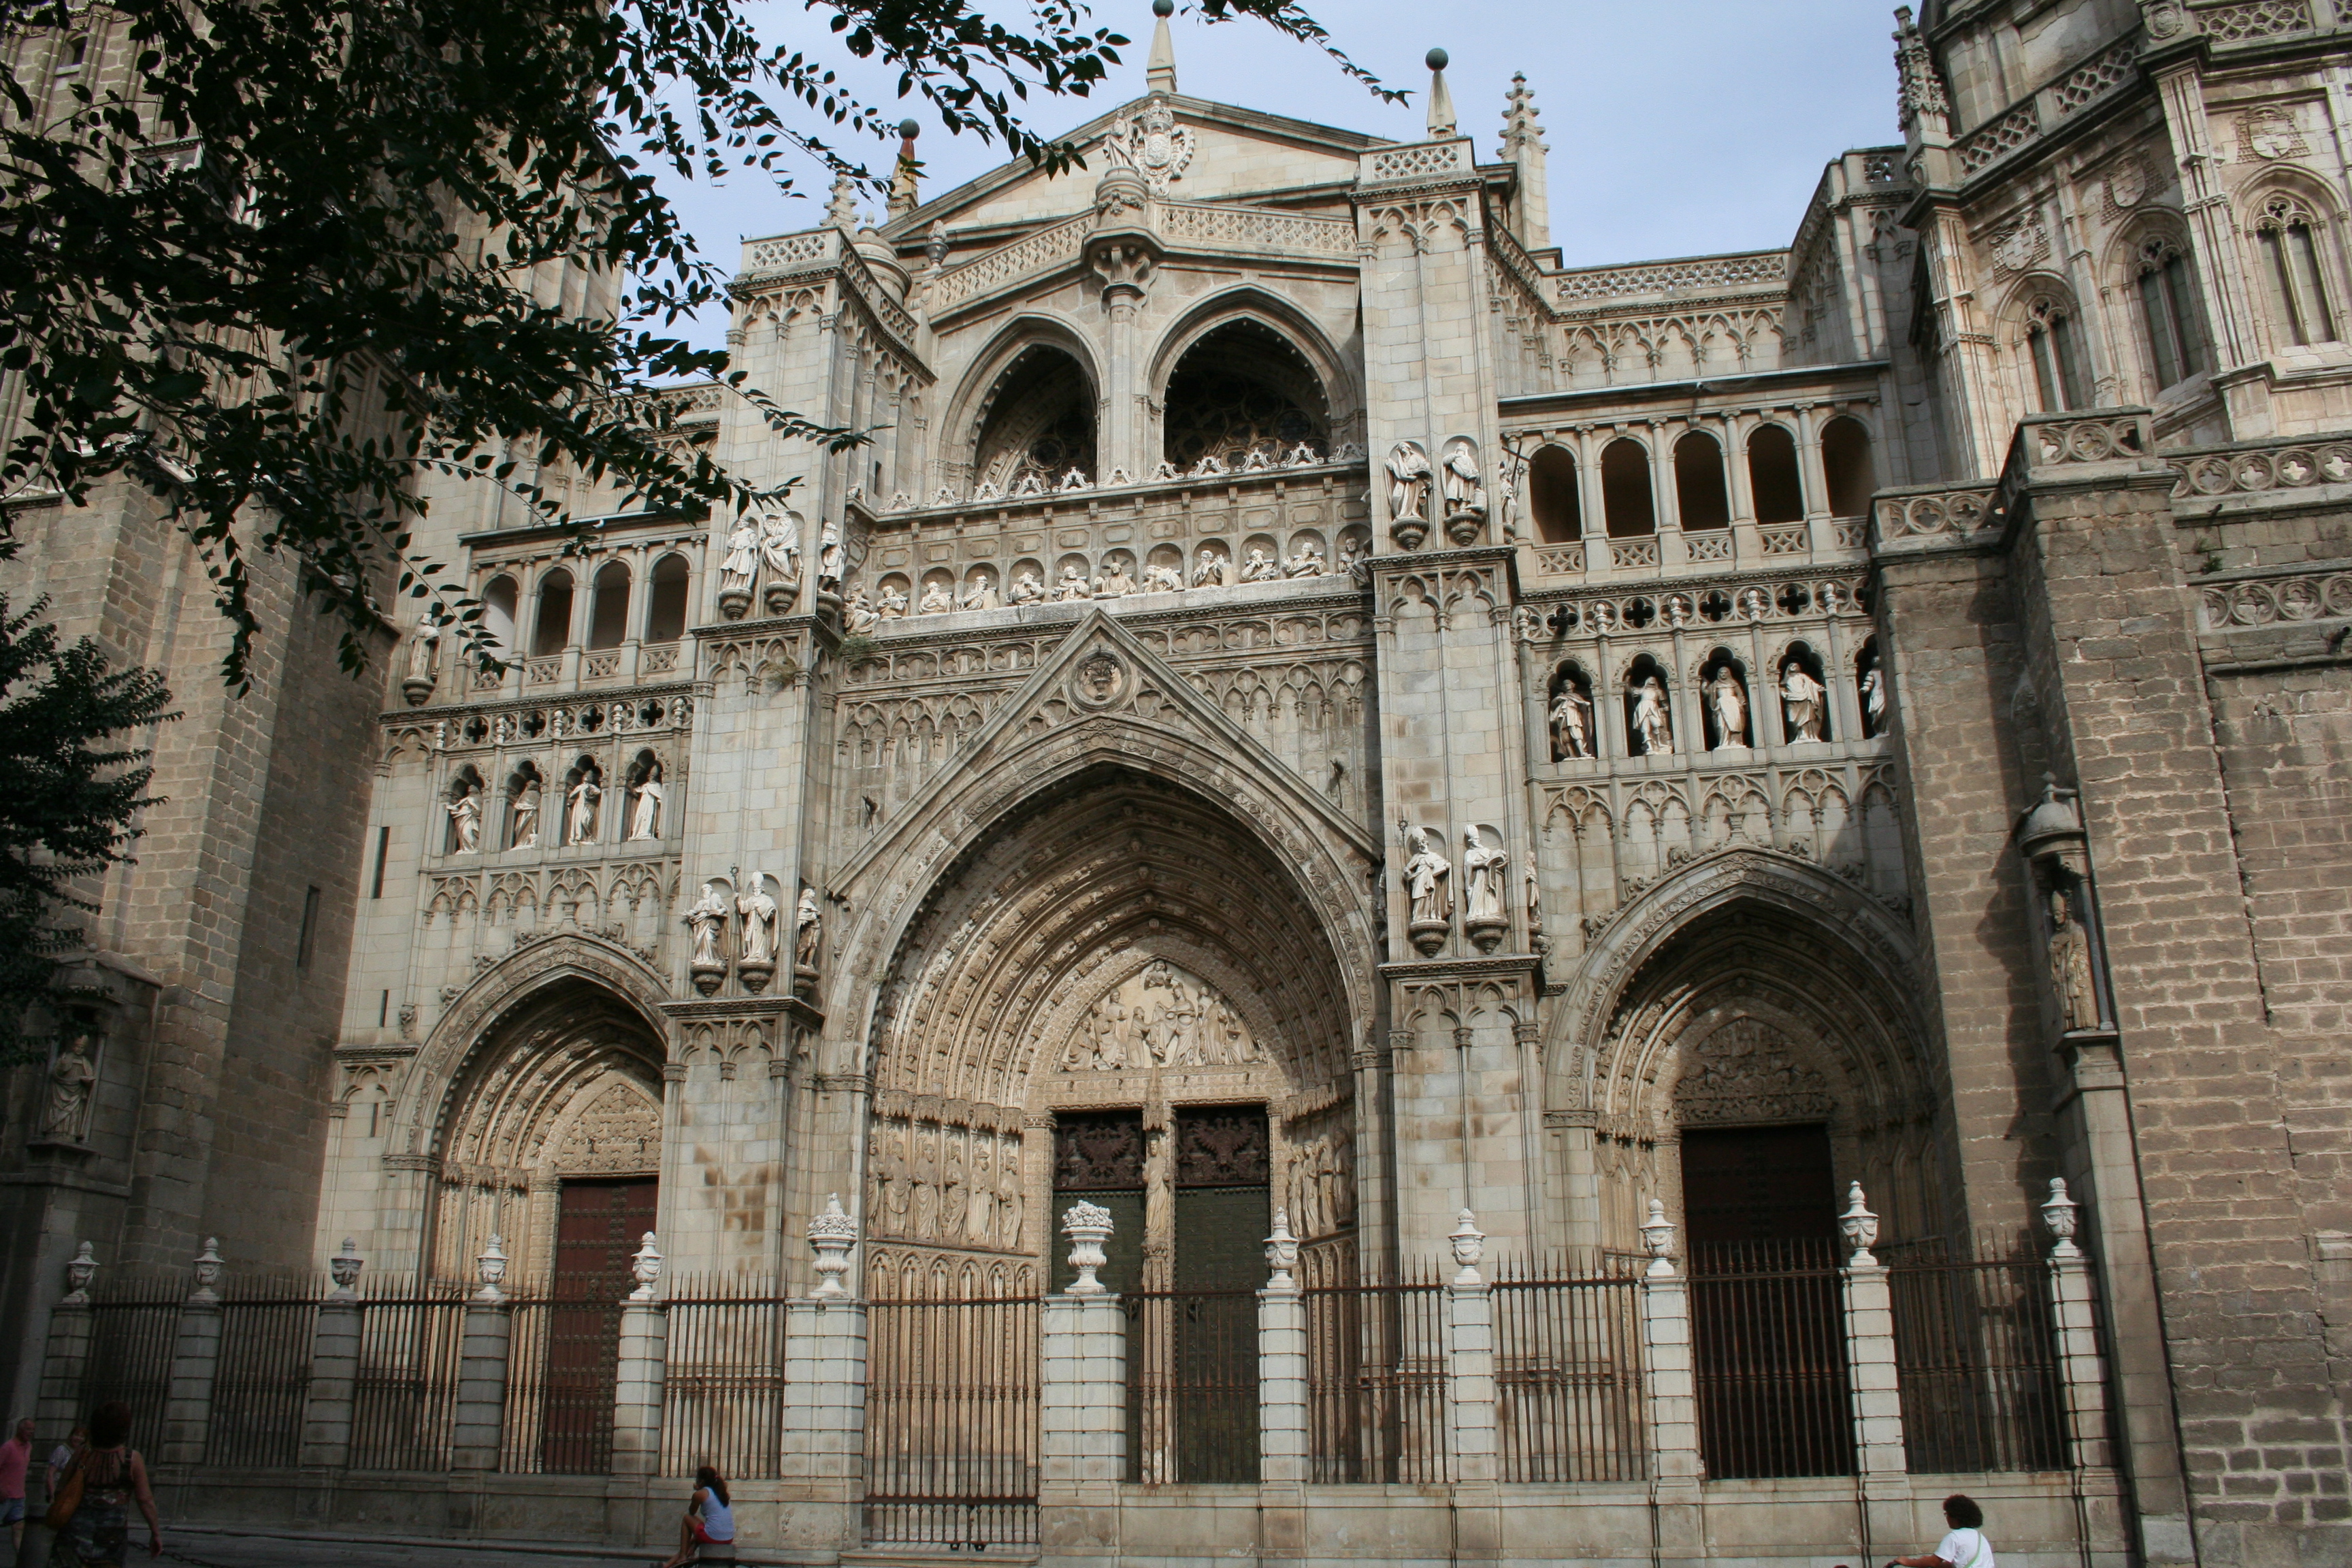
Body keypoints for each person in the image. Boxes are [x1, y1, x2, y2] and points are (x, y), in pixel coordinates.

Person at [51, 1400, 159, 1565]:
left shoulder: (82, 1453)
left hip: (74, 1534)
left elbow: (61, 1489)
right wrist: (155, 1533)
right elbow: (145, 1500)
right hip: (111, 1538)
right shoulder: (131, 1459)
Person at [1887, 1493, 1993, 1568]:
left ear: (1955, 1517)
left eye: (1947, 1514)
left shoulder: (1954, 1536)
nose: (1947, 1518)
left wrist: (1907, 1562)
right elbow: (1959, 1563)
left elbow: (1933, 1562)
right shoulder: (1979, 1537)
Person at [658, 1465, 736, 1567]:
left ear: (701, 1481)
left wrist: (697, 1491)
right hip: (728, 1537)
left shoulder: (700, 1494)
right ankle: (667, 1564)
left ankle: (683, 1556)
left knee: (687, 1518)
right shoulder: (721, 1493)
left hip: (713, 1537)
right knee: (695, 1539)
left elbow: (692, 1512)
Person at [1, 1417, 31, 1559]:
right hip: (5, 1496)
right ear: (20, 1429)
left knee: (19, 1527)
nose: (31, 1432)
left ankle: (21, 1558)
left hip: (19, 1496)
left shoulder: (28, 1447)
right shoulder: (8, 1447)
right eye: (28, 1429)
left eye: (33, 1430)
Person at [46, 1425, 85, 1498]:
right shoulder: (61, 1450)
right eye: (76, 1435)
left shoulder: (84, 1453)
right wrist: (52, 1494)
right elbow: (50, 1473)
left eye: (82, 1436)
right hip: (59, 1490)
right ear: (71, 1436)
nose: (78, 1438)